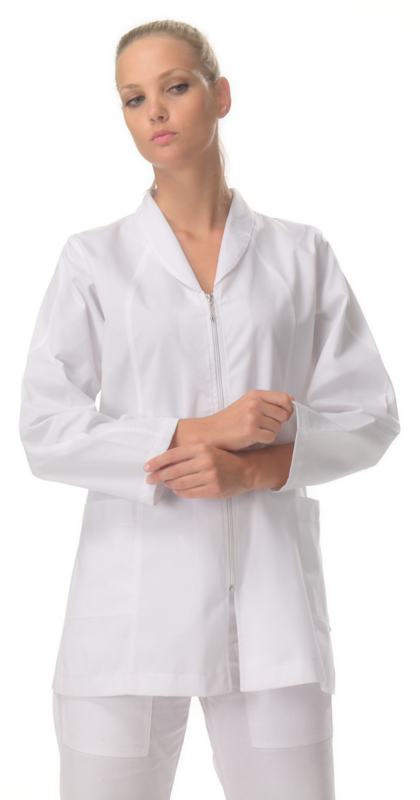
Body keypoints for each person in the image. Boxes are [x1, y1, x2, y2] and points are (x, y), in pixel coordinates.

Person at [19, 19, 400, 800]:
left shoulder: (300, 254)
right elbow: (46, 429)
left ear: (220, 95)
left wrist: (256, 468)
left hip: (270, 617)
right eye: (133, 98)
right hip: (125, 617)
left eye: (175, 87)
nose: (155, 111)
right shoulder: (92, 260)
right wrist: (201, 431)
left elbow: (370, 413)